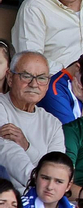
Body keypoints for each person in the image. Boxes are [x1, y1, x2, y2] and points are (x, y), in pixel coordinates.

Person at [0, 51, 65, 194]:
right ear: (10, 78)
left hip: (41, 198)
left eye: (41, 78)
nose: (34, 84)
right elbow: (7, 151)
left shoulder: (53, 124)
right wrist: (37, 182)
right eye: (26, 76)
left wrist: (27, 147)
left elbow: (57, 168)